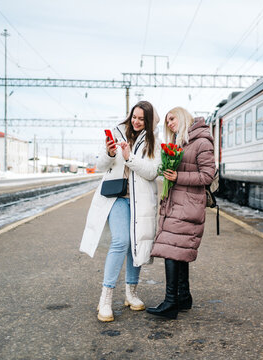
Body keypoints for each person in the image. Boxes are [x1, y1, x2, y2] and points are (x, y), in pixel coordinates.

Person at [80, 101, 161, 322]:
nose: (136, 121)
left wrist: (129, 158)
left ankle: (131, 293)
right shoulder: (116, 132)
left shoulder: (154, 141)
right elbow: (100, 167)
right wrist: (109, 152)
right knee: (121, 241)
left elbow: (152, 172)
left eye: (141, 119)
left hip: (140, 201)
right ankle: (105, 298)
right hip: (116, 198)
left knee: (136, 244)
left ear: (149, 121)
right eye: (134, 116)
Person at [147, 107, 216, 319]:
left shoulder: (202, 142)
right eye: (167, 121)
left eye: (172, 118)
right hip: (177, 203)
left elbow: (207, 176)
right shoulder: (181, 142)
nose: (169, 123)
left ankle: (171, 302)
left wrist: (178, 176)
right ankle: (184, 297)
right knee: (178, 250)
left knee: (171, 250)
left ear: (184, 117)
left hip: (188, 205)